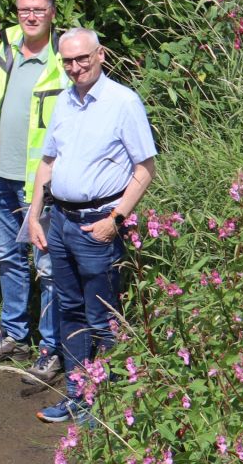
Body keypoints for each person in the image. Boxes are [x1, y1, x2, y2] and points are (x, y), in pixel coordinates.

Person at [26, 28, 158, 424]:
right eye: (67, 61)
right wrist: (34, 216)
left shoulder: (122, 102)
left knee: (102, 315)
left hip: (98, 225)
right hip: (61, 221)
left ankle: (113, 402)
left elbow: (145, 168)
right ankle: (77, 395)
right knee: (69, 311)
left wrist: (115, 221)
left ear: (100, 55)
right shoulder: (65, 100)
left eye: (82, 58)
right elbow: (48, 162)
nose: (75, 67)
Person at [0, 0, 66, 380]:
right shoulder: (8, 48)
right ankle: (13, 333)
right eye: (24, 9)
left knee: (47, 267)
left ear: (52, 13)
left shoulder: (63, 56)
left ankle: (50, 347)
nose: (30, 16)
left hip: (39, 183)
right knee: (8, 257)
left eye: (38, 9)